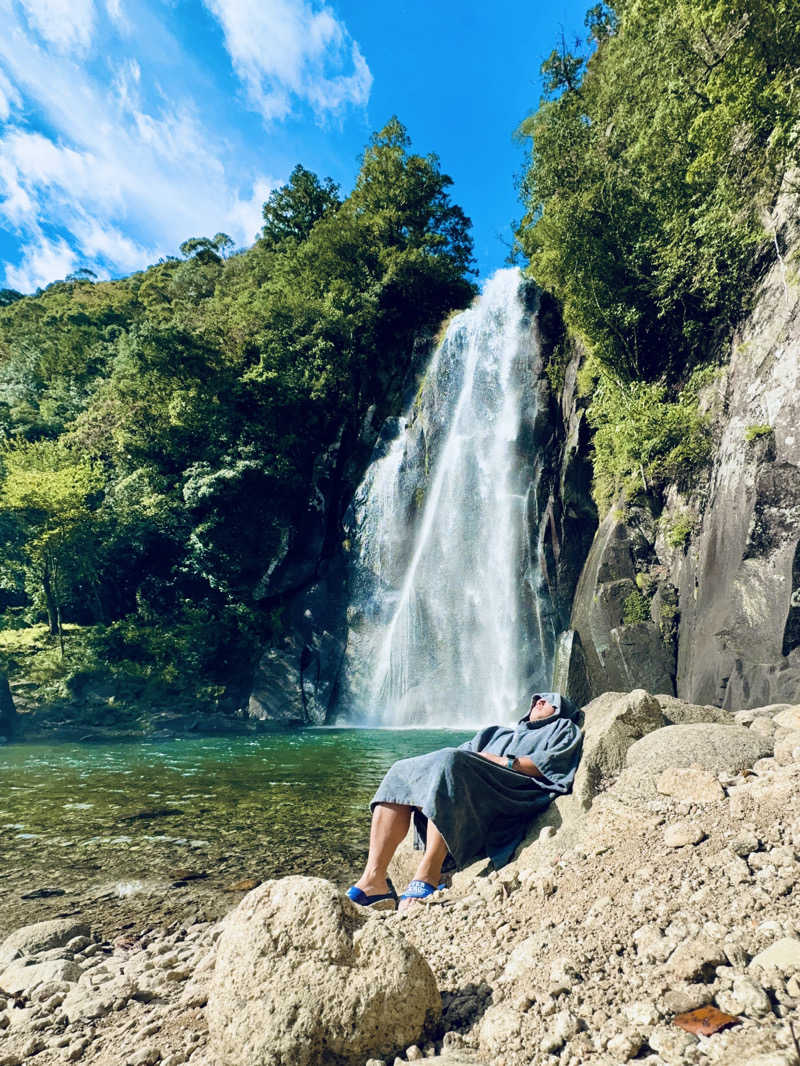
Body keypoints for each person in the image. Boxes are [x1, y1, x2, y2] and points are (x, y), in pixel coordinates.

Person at [346, 691, 583, 911]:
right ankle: (373, 880)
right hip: (471, 781)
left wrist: (501, 761)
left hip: (510, 791)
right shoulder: (495, 732)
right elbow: (453, 757)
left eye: (549, 701)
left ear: (562, 711)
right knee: (401, 770)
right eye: (536, 700)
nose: (539, 701)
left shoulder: (563, 728)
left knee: (451, 762)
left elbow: (555, 764)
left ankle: (428, 874)